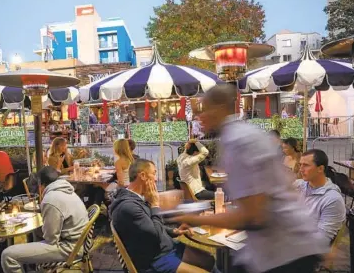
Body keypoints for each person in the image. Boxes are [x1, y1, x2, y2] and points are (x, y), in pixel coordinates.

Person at [172, 84, 328, 273]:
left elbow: (253, 216)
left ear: (220, 108)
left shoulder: (237, 141)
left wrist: (196, 219)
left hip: (285, 252)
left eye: (204, 109)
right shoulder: (244, 134)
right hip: (285, 244)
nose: (199, 117)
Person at [109, 159, 211, 273]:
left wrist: (174, 231)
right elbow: (155, 234)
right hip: (155, 261)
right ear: (142, 175)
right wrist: (154, 205)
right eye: (154, 173)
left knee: (208, 259)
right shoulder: (128, 207)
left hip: (165, 249)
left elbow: (149, 226)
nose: (156, 178)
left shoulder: (137, 198)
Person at [1, 166, 89, 273]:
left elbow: (51, 239)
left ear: (41, 185)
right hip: (79, 242)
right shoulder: (68, 191)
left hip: (69, 248)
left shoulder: (51, 199)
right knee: (35, 234)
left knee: (8, 255)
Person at [295, 149, 346, 243]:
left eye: (305, 165)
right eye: (300, 165)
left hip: (310, 249)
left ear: (320, 169)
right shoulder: (299, 185)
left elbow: (322, 240)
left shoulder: (332, 199)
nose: (301, 169)